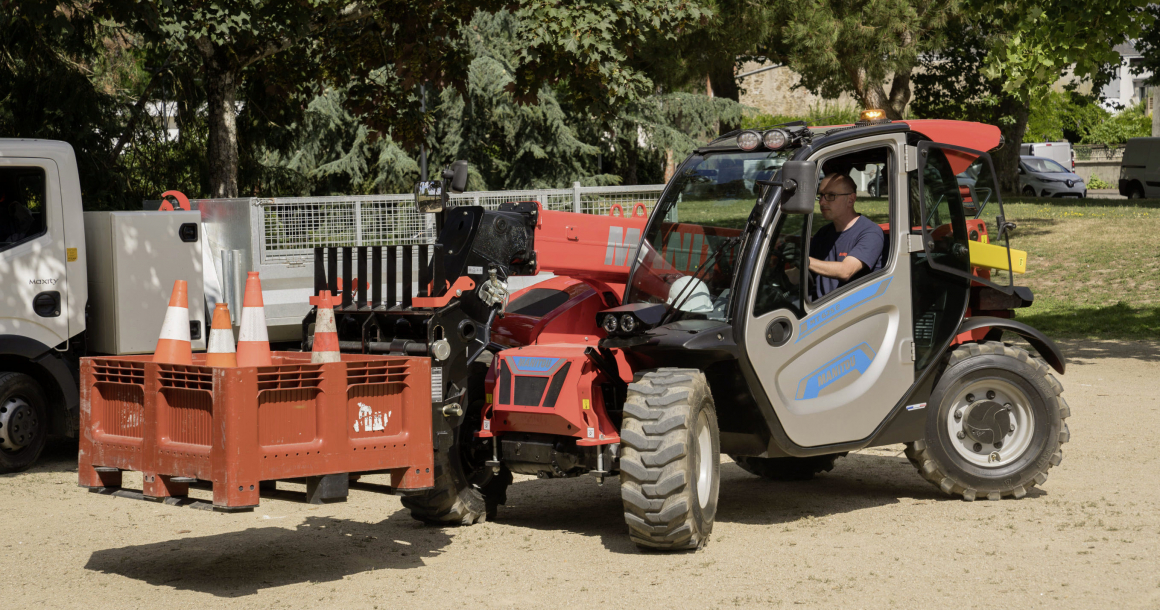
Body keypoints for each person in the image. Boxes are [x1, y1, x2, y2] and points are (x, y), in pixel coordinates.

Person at [807, 174, 884, 298]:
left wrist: (804, 261)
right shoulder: (823, 233)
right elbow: (803, 274)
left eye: (830, 196)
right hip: (820, 308)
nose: (822, 202)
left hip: (851, 310)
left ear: (851, 200)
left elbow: (846, 271)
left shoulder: (870, 233)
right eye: (820, 195)